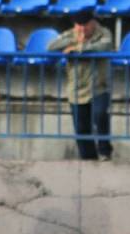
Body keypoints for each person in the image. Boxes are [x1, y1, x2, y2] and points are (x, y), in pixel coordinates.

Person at [47, 11, 114, 161]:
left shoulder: (104, 33)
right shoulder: (71, 34)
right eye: (79, 26)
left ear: (93, 23)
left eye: (86, 25)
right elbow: (51, 46)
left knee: (100, 115)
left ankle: (105, 151)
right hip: (77, 89)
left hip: (99, 86)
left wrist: (78, 48)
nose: (83, 29)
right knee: (81, 128)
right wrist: (74, 41)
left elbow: (103, 47)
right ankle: (88, 159)